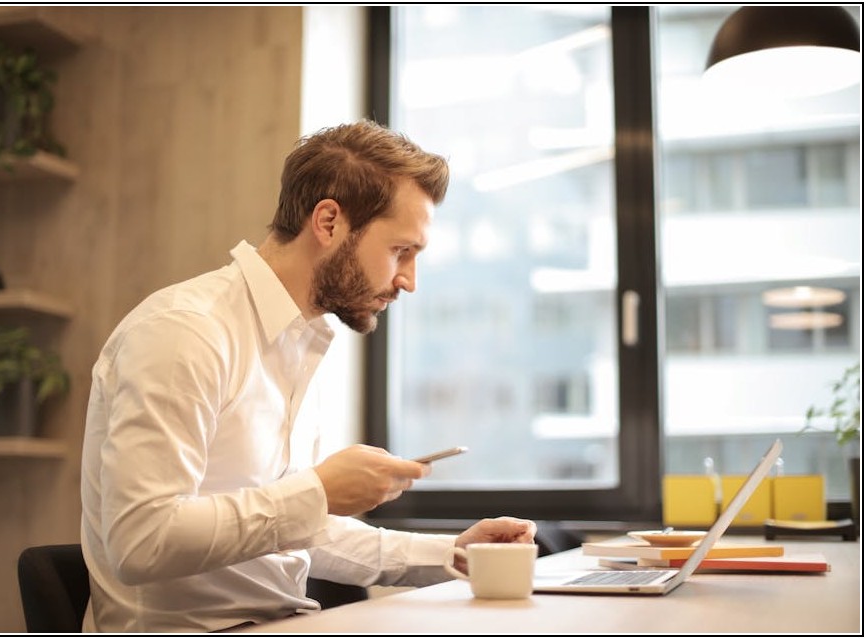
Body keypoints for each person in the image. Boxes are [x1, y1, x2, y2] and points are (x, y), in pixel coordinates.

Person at [80, 120, 537, 633]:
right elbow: (140, 542)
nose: (409, 281)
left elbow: (286, 530)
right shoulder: (185, 333)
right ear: (328, 222)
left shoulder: (298, 342)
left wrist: (450, 554)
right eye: (400, 251)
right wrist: (317, 491)